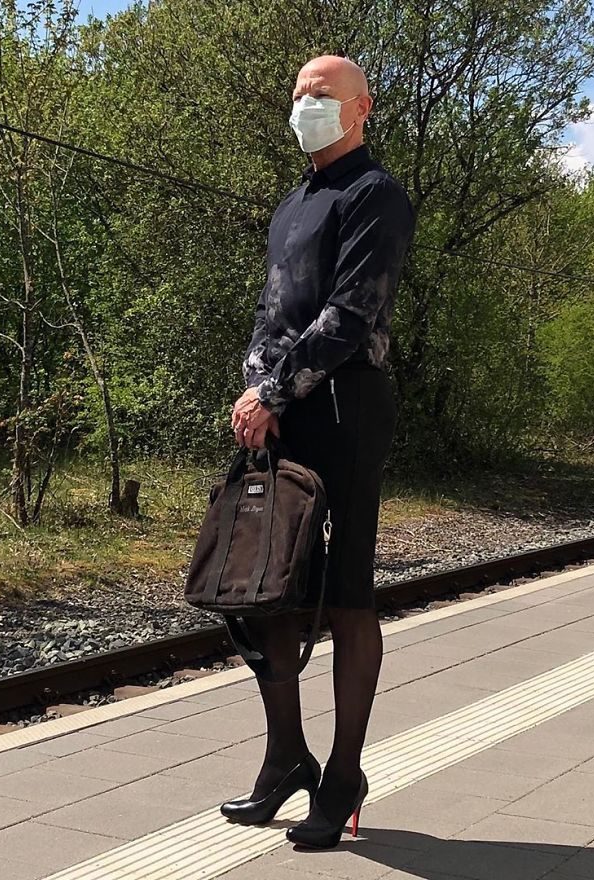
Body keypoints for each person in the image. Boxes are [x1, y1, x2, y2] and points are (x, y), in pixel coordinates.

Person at [223, 53, 415, 849]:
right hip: (284, 412)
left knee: (346, 595)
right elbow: (271, 312)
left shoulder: (376, 195)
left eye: (323, 94)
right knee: (264, 589)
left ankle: (342, 776)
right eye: (300, 93)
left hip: (347, 410)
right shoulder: (292, 203)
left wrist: (274, 391)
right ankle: (284, 761)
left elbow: (350, 313)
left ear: (361, 107)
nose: (307, 104)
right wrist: (256, 391)